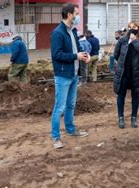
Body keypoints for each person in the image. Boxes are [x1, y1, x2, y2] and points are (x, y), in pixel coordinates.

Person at [50, 3, 90, 149]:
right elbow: (57, 55)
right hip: (63, 75)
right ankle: (56, 137)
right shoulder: (58, 33)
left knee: (71, 105)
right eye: (76, 13)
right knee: (59, 107)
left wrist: (85, 55)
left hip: (74, 74)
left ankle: (70, 130)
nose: (78, 16)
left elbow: (77, 49)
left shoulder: (72, 31)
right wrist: (75, 56)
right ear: (69, 15)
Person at [113, 21, 139, 129]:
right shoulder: (123, 39)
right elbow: (116, 54)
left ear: (138, 27)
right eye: (130, 27)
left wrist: (135, 42)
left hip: (135, 73)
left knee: (135, 96)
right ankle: (121, 118)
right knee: (121, 95)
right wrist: (121, 63)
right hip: (123, 73)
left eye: (134, 27)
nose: (132, 29)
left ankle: (134, 118)